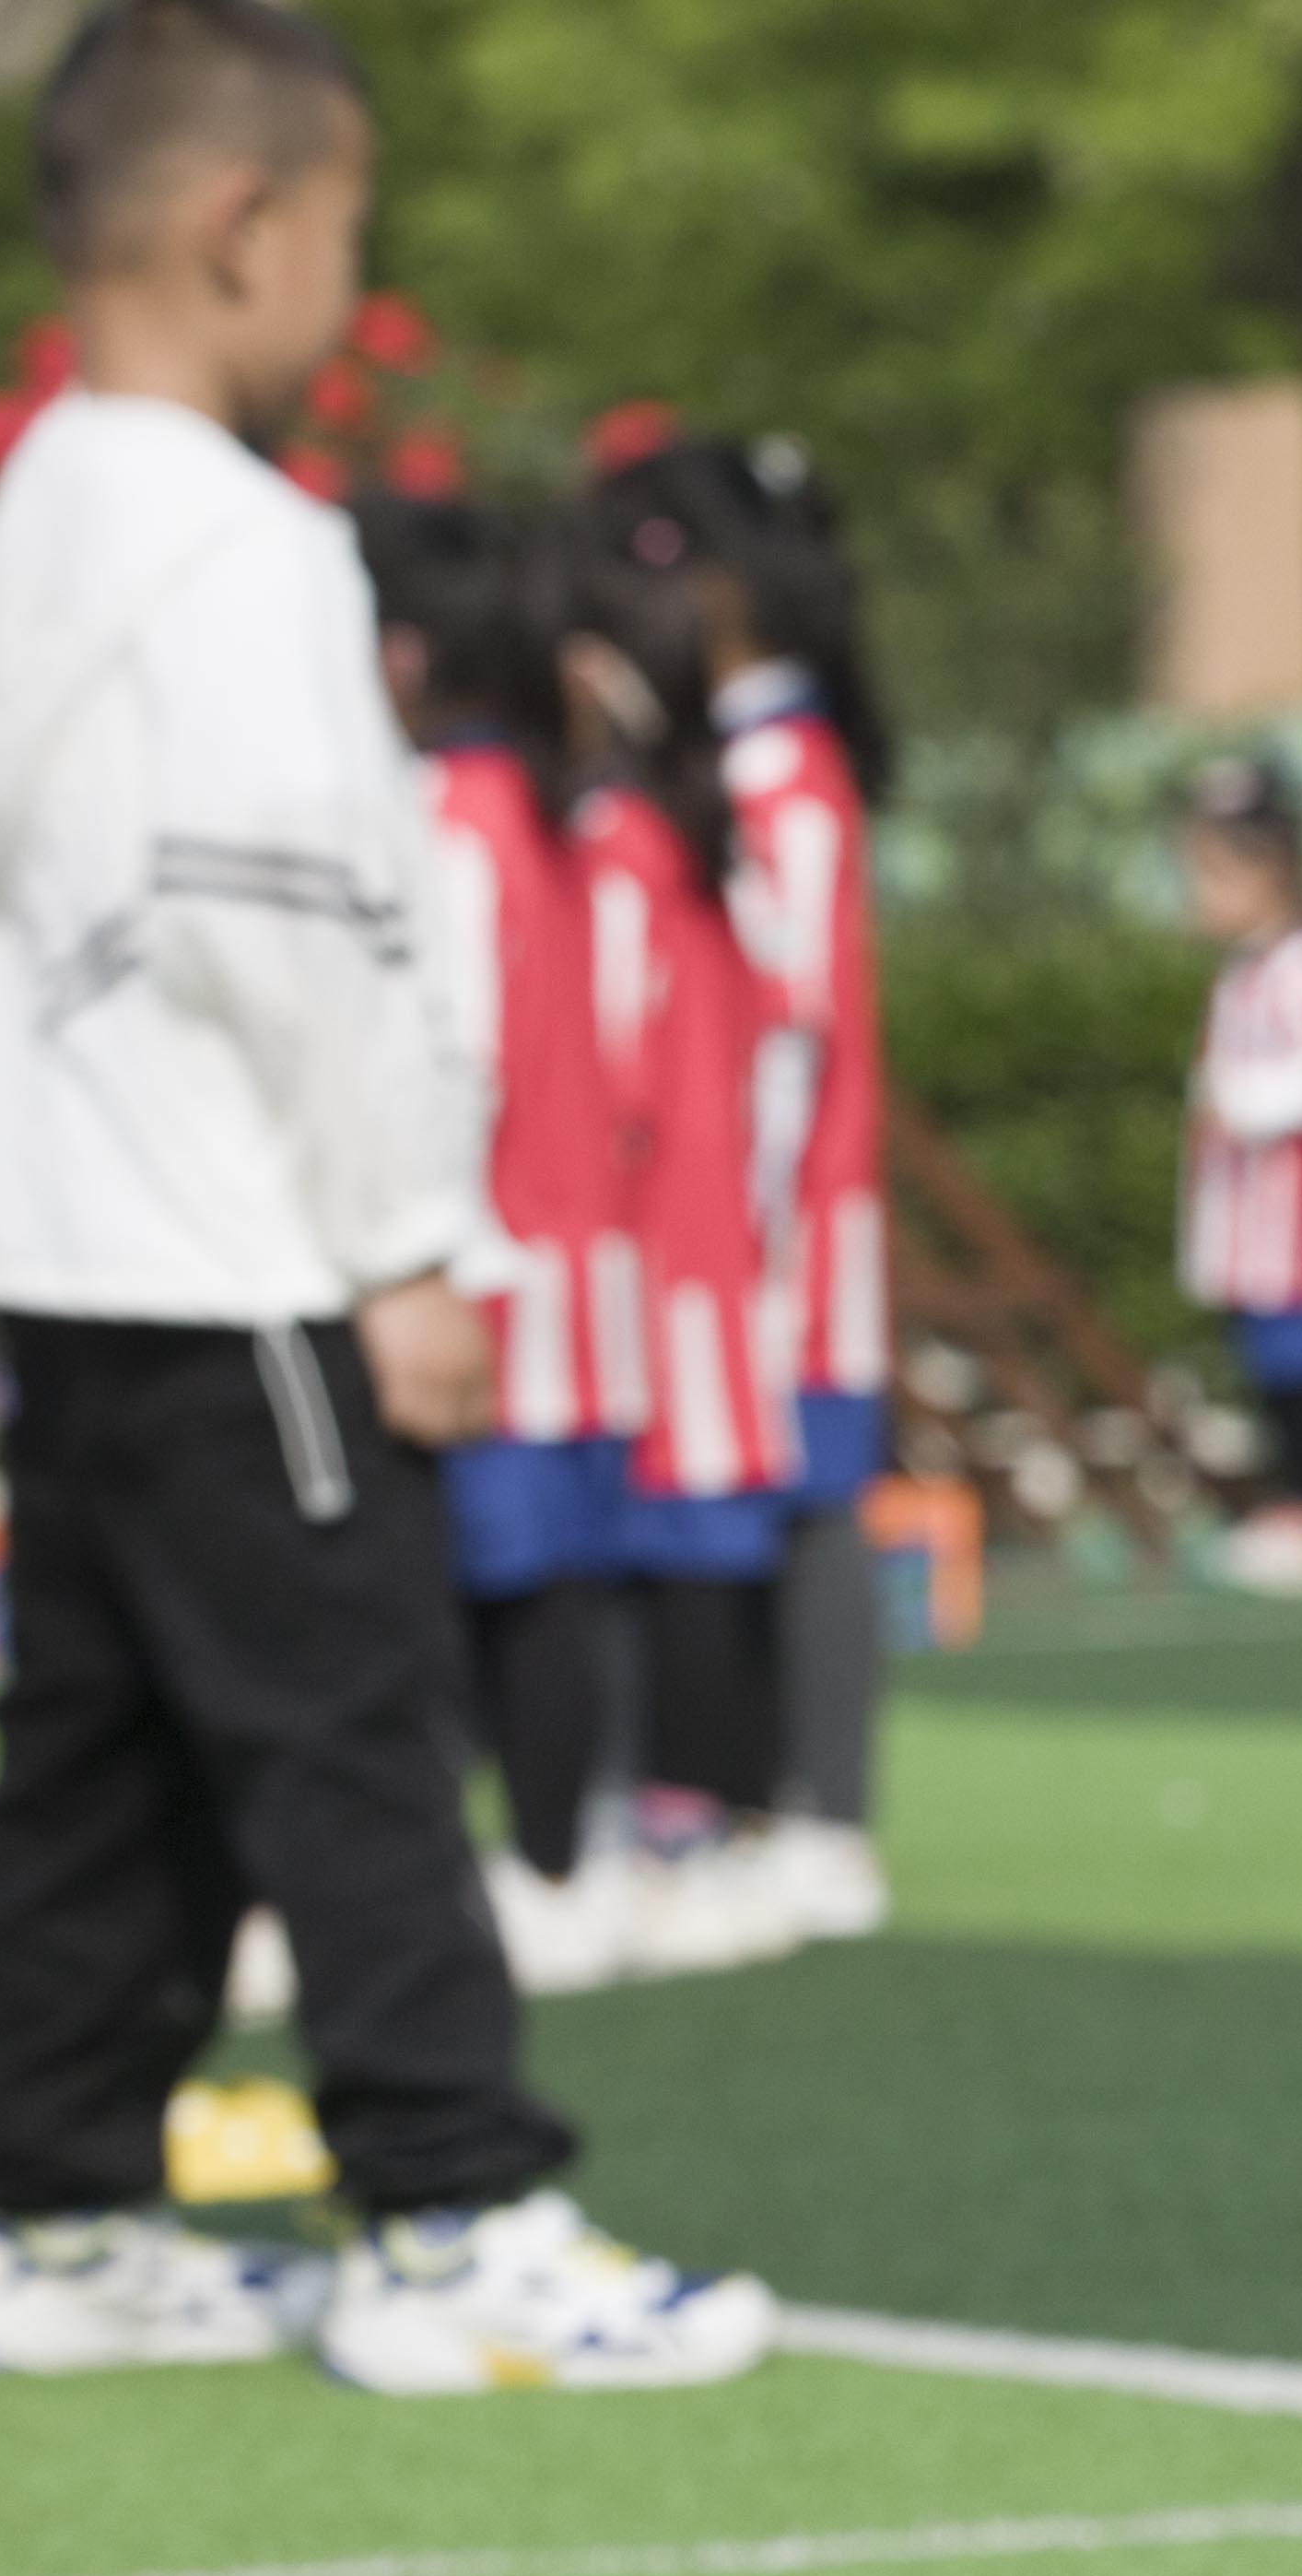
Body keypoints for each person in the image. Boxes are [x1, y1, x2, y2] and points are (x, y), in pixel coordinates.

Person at [0, 0, 761, 2392]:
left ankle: (56, 2211)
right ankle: (451, 2208)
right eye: (349, 229)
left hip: (63, 1253)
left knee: (99, 1751)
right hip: (248, 1251)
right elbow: (292, 919)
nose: (351, 286)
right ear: (240, 224)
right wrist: (403, 1240)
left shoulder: (39, 524)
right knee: (354, 1720)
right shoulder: (244, 544)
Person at [599, 432, 895, 1938]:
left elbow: (784, 1025)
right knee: (780, 1498)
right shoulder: (778, 763)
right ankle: (782, 1809)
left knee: (805, 1498)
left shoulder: (775, 770)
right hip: (765, 1208)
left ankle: (818, 1816)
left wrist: (745, 1219)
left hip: (779, 1212)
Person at [364, 491, 630, 1995]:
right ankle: (555, 1861)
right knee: (540, 1588)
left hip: (485, 1256)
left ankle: (540, 1869)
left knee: (504, 1586)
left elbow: (451, 1049)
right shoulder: (545, 804)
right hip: (561, 1248)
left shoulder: (452, 817)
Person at [556, 494, 803, 1980]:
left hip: (648, 1250)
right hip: (717, 1246)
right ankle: (705, 1822)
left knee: (644, 1555)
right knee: (701, 1549)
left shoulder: (628, 848)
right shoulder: (707, 838)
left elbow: (615, 1067)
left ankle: (666, 1828)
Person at [1169, 759, 1302, 1584]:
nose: (1201, 895)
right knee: (1262, 1360)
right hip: (1245, 1208)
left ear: (1273, 870)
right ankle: (1288, 1501)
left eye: (1215, 874)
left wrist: (1256, 1104)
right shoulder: (1243, 973)